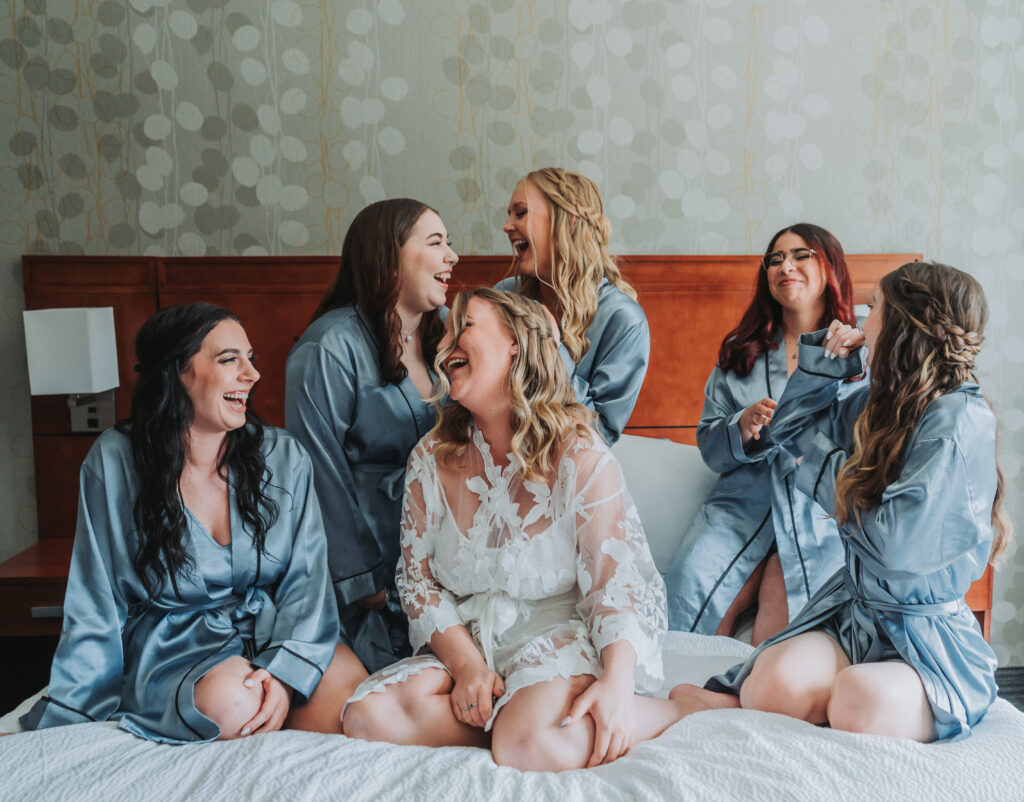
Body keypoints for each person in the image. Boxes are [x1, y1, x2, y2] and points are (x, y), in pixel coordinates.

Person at [342, 288, 694, 771]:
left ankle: (678, 707)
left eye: (463, 327)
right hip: (471, 644)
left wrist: (615, 683)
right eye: (443, 335)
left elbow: (617, 580)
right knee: (367, 716)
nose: (444, 347)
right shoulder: (430, 456)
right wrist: (468, 667)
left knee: (529, 746)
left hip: (558, 634)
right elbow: (417, 582)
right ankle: (510, 714)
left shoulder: (580, 454)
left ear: (516, 343)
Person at [671, 261, 1011, 742]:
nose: (862, 315)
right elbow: (785, 431)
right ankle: (797, 704)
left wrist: (831, 467)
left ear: (901, 326)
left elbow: (895, 547)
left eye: (877, 307)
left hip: (925, 634)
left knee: (857, 697)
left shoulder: (959, 419)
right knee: (771, 682)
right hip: (857, 616)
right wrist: (828, 367)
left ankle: (848, 703)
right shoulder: (877, 400)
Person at [19, 303, 367, 743]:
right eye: (229, 360)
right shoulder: (115, 462)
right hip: (175, 647)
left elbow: (308, 579)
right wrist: (70, 715)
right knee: (235, 704)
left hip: (279, 630)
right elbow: (96, 599)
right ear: (177, 372)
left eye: (250, 358)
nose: (252, 374)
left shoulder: (284, 457)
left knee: (352, 702)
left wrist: (283, 674)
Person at [664, 223, 862, 644]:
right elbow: (710, 450)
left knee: (787, 604)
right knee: (692, 578)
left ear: (829, 267)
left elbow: (877, 436)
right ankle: (678, 693)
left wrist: (865, 347)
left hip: (820, 512)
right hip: (740, 509)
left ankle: (763, 697)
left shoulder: (859, 348)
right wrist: (743, 426)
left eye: (800, 255)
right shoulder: (742, 352)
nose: (785, 266)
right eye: (775, 259)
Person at [286, 199, 458, 674]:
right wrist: (365, 584)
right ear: (390, 255)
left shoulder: (445, 343)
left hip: (444, 566)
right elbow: (317, 473)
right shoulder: (328, 348)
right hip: (365, 574)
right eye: (437, 242)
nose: (453, 256)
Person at [497, 167, 649, 444]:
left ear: (567, 221)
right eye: (508, 215)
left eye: (521, 212)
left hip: (569, 471)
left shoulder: (623, 319)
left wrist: (551, 348)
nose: (507, 226)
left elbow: (599, 435)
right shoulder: (505, 297)